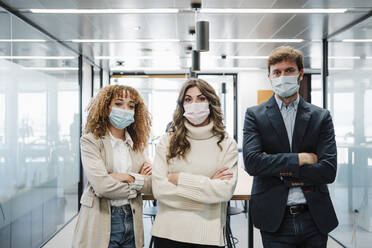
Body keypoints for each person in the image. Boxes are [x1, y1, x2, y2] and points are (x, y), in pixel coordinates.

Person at [243, 46, 338, 247]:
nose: (282, 76)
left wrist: (277, 169)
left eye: (289, 71)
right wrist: (301, 159)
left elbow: (328, 171)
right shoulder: (255, 115)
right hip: (275, 219)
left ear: (300, 74)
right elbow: (253, 164)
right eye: (277, 72)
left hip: (314, 217)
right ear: (269, 76)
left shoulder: (320, 117)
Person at [151, 78, 238, 248]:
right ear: (181, 105)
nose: (194, 104)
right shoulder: (167, 141)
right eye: (188, 99)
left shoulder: (226, 143)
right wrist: (207, 192)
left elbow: (224, 191)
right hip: (168, 233)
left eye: (201, 98)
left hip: (207, 237)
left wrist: (180, 179)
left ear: (211, 102)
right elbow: (160, 189)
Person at [72, 85, 152, 248]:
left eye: (131, 106)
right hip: (102, 218)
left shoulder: (138, 144)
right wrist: (138, 183)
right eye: (119, 104)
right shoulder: (90, 141)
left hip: (132, 217)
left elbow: (152, 185)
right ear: (106, 107)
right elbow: (102, 187)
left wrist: (125, 177)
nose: (125, 110)